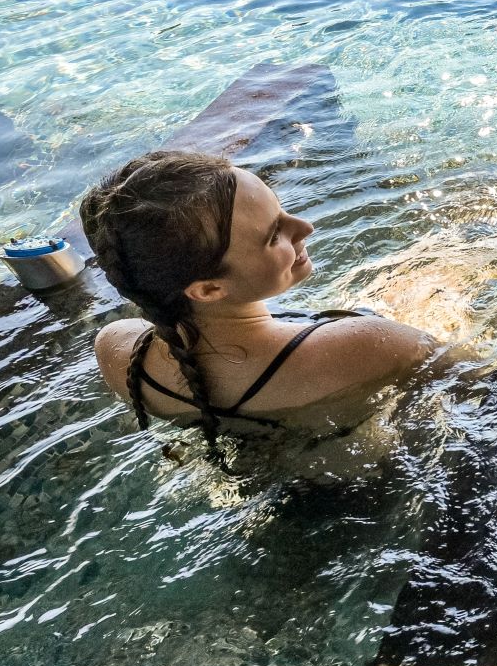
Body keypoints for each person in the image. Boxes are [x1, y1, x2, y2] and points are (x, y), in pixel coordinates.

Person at [80, 150, 440, 470]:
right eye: (274, 235)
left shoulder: (117, 350)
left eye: (280, 209)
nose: (305, 227)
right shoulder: (372, 346)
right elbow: (474, 385)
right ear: (208, 289)